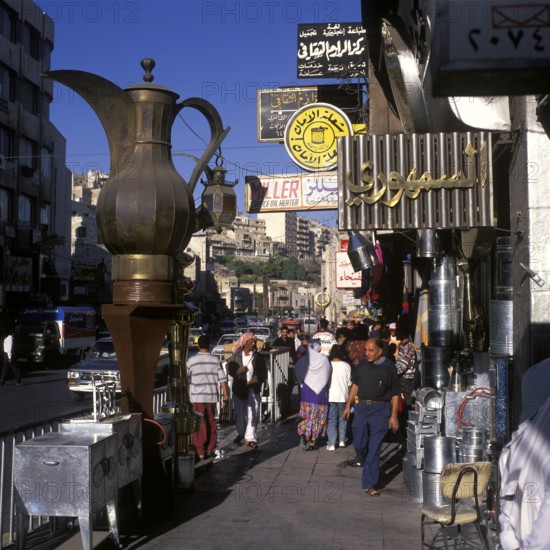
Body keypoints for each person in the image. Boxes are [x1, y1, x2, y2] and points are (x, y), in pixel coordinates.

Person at [343, 338, 400, 496]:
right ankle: (369, 462)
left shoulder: (389, 367)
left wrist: (394, 415)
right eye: (366, 350)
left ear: (379, 351)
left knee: (374, 450)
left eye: (371, 351)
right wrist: (348, 405)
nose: (367, 354)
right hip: (361, 408)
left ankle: (369, 483)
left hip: (380, 410)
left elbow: (395, 393)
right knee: (360, 444)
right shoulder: (362, 365)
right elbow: (355, 385)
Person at [186, 335, 229, 461]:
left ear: (198, 345)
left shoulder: (191, 361)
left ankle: (200, 451)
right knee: (211, 423)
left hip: (197, 398)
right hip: (211, 397)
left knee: (199, 424)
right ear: (209, 345)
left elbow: (186, 380)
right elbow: (222, 380)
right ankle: (210, 448)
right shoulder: (215, 360)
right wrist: (226, 396)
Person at [226, 332, 267, 449]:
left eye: (254, 342)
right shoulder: (236, 356)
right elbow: (230, 369)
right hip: (239, 389)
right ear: (245, 343)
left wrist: (254, 380)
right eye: (251, 342)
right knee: (241, 414)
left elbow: (262, 372)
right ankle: (242, 433)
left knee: (253, 414)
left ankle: (251, 438)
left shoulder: (257, 357)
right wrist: (240, 370)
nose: (254, 344)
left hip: (253, 389)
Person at [294, 339, 332, 451]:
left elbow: (297, 371)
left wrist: (301, 384)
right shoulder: (324, 359)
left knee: (306, 414)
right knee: (317, 416)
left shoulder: (303, 360)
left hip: (306, 391)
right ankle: (313, 442)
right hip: (320, 393)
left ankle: (304, 433)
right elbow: (328, 373)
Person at [326, 345, 352, 451]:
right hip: (343, 395)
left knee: (332, 420)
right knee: (343, 419)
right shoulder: (346, 365)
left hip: (331, 396)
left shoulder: (328, 365)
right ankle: (342, 440)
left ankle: (332, 443)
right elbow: (349, 383)